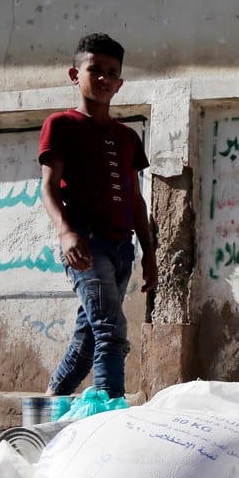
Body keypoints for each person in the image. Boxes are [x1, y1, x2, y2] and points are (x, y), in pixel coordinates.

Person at [40, 33, 155, 401]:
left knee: (88, 340)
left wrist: (149, 253)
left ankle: (46, 408)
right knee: (111, 331)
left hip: (123, 250)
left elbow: (135, 199)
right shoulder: (61, 125)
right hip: (86, 247)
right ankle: (108, 418)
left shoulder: (127, 137)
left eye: (112, 73)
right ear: (76, 74)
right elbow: (49, 187)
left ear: (120, 84)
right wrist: (66, 233)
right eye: (95, 70)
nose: (103, 78)